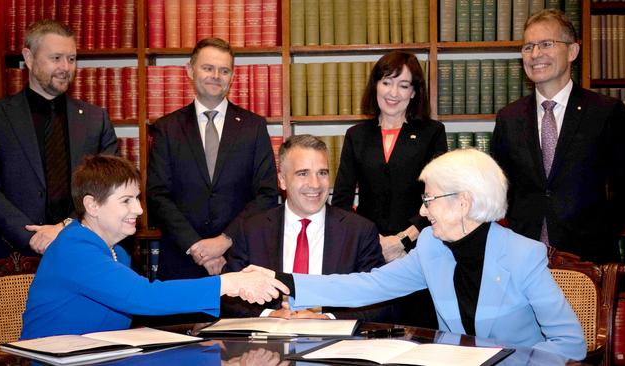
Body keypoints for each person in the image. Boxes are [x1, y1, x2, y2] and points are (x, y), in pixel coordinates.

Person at [248, 149, 587, 361]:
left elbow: (570, 345)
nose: (423, 213)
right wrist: (283, 282)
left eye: (429, 200)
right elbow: (367, 286)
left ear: (463, 202)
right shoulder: (431, 247)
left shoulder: (523, 255)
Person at [21, 155, 288, 340]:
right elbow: (142, 297)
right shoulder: (75, 248)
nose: (138, 209)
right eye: (126, 200)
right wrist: (227, 283)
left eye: (137, 198)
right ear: (92, 205)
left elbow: (145, 305)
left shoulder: (118, 254)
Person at [492, 9, 625, 264]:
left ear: (572, 51)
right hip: (521, 260)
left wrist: (600, 231)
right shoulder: (509, 117)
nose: (535, 54)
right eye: (528, 46)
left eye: (546, 44)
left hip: (587, 260)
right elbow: (500, 189)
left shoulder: (604, 112)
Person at [146, 37, 279, 280]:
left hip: (240, 260)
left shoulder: (253, 127)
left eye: (224, 70)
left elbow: (267, 194)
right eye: (208, 68)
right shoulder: (166, 128)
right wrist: (197, 246)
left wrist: (224, 241)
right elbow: (157, 196)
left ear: (232, 76)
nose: (216, 75)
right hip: (181, 260)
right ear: (190, 70)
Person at [331, 50, 447, 327]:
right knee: (370, 331)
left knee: (418, 334)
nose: (393, 92)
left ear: (414, 93)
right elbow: (342, 201)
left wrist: (404, 239)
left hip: (419, 249)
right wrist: (373, 241)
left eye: (403, 85)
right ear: (375, 86)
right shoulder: (356, 135)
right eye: (386, 82)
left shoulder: (433, 133)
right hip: (368, 254)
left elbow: (440, 195)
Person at [224, 135, 392, 321]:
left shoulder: (359, 231)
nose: (315, 184)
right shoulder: (251, 230)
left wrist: (328, 318)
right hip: (267, 346)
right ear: (282, 180)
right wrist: (269, 315)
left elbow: (381, 302)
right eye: (303, 173)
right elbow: (228, 298)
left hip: (336, 344)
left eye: (322, 173)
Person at [0, 19, 118, 261]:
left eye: (71, 59)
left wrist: (65, 227)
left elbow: (109, 186)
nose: (65, 67)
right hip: (11, 256)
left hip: (80, 250)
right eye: (56, 58)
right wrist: (31, 236)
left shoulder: (95, 119)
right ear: (28, 58)